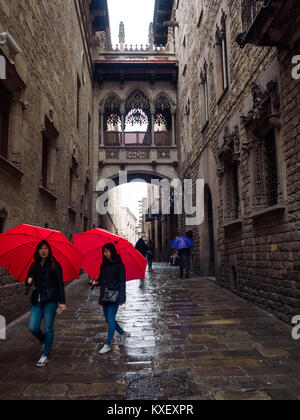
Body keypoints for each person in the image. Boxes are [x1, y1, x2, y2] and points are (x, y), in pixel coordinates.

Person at [26, 240, 66, 367]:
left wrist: (62, 301)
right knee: (33, 327)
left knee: (48, 328)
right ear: (38, 251)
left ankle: (45, 354)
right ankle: (45, 340)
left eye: (46, 248)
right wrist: (28, 281)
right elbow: (27, 284)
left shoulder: (55, 264)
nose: (43, 250)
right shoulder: (34, 265)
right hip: (37, 299)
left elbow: (60, 284)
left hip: (51, 299)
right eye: (41, 248)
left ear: (49, 250)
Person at [93, 243, 127, 355]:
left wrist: (122, 297)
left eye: (108, 251)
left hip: (115, 295)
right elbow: (101, 278)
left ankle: (107, 344)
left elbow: (122, 282)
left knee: (111, 319)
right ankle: (122, 333)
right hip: (105, 294)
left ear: (112, 251)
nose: (106, 253)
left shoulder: (120, 265)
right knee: (108, 319)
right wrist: (97, 282)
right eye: (104, 251)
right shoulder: (104, 265)